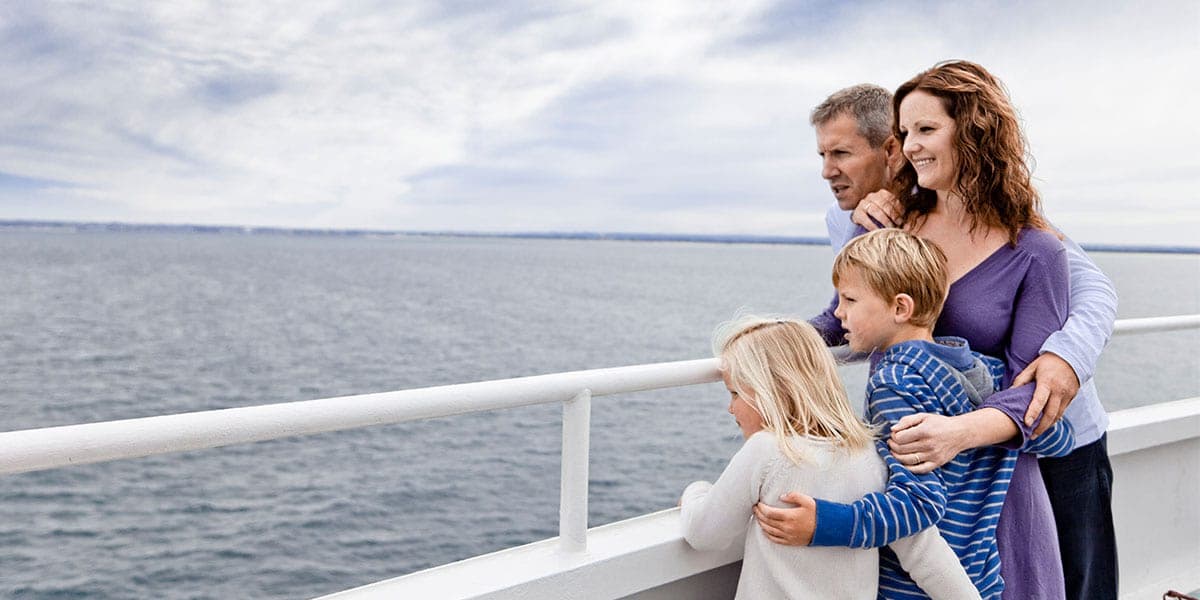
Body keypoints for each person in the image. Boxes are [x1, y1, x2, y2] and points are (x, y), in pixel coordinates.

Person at [764, 76, 1119, 600]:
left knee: (1081, 580)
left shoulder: (1034, 242)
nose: (908, 145)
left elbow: (1094, 296)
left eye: (925, 129)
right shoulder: (884, 224)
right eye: (905, 131)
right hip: (931, 455)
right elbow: (842, 317)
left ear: (973, 133)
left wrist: (1065, 357)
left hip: (1028, 442)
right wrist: (767, 343)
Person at [804, 227, 1075, 599]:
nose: (838, 312)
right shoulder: (989, 371)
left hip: (913, 587)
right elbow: (1060, 438)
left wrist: (824, 523)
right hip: (982, 579)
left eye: (850, 299)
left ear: (901, 308)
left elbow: (919, 504)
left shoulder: (894, 384)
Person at [679, 315, 981, 600]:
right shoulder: (872, 452)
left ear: (768, 391)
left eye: (733, 393)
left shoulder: (765, 450)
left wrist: (697, 491)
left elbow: (705, 535)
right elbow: (925, 554)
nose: (730, 408)